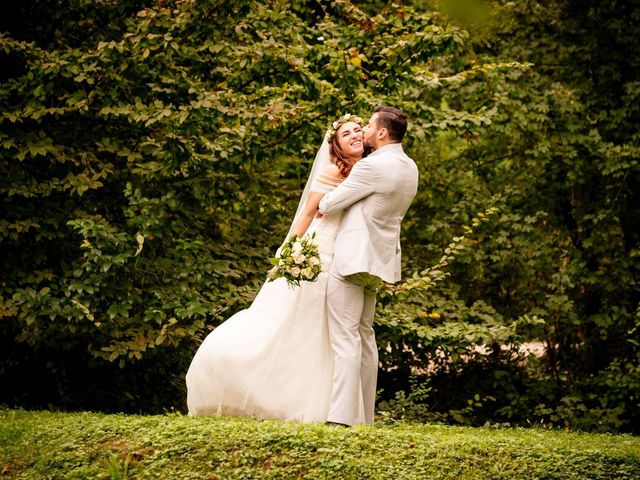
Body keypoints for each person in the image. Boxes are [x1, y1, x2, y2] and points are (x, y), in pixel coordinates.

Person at [186, 114, 367, 422]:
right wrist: (287, 253)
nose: (354, 135)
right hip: (321, 255)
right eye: (346, 134)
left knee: (327, 333)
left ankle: (323, 406)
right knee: (299, 324)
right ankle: (245, 375)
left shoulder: (369, 169)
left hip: (348, 257)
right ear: (335, 146)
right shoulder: (333, 170)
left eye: (357, 130)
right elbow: (307, 214)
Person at [318, 106, 419, 426]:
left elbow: (328, 203)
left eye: (369, 126)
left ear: (383, 133)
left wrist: (325, 195)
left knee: (346, 337)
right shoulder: (410, 167)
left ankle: (342, 418)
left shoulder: (372, 166)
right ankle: (364, 416)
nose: (363, 131)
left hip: (352, 260)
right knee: (364, 335)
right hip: (381, 261)